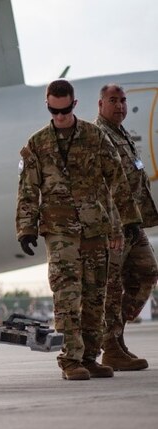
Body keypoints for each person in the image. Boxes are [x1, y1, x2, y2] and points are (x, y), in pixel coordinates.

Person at [15, 79, 141, 381]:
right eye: (53, 110)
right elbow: (28, 189)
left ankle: (89, 357)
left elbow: (117, 179)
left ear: (75, 105)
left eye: (65, 110)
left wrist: (130, 219)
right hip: (60, 232)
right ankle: (70, 360)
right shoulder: (36, 144)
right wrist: (26, 228)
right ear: (48, 105)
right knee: (67, 295)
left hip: (95, 227)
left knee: (95, 294)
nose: (59, 116)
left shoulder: (95, 137)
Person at [95, 83, 158, 370]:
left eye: (122, 101)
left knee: (147, 272)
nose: (120, 106)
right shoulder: (98, 136)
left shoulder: (121, 135)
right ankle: (110, 348)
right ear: (100, 105)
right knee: (111, 286)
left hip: (133, 222)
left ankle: (115, 338)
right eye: (113, 100)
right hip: (115, 226)